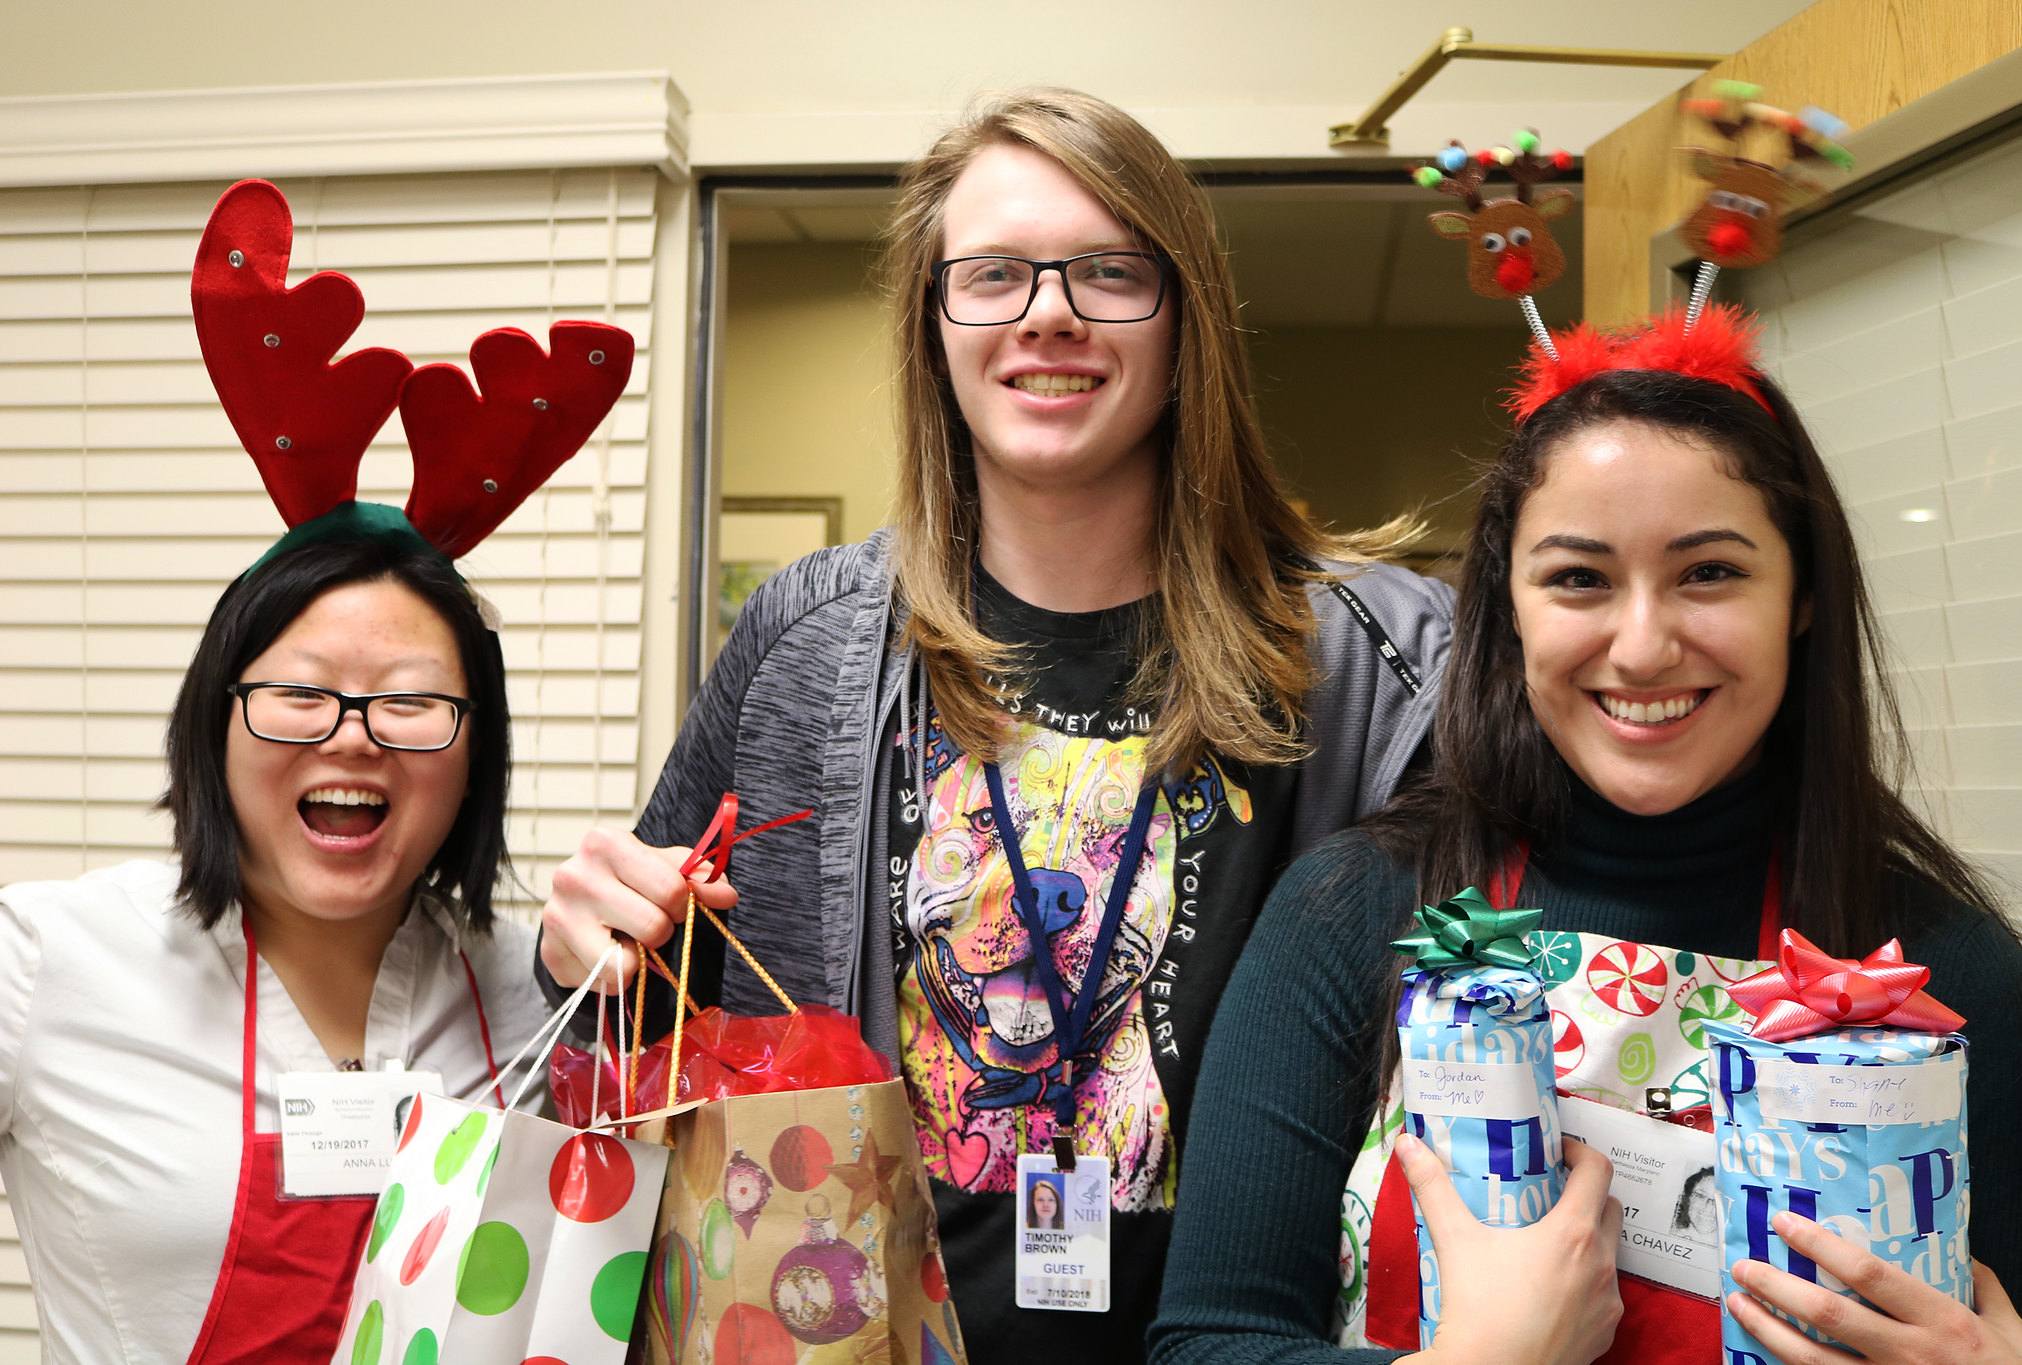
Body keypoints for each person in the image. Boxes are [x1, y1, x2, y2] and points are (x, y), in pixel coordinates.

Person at [536, 88, 1456, 1361]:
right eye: (995, 275)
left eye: (1107, 271)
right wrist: (583, 947)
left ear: (1183, 317)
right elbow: (641, 1017)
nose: (1047, 312)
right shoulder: (810, 633)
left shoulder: (1381, 663)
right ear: (935, 323)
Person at [1150, 321, 2022, 1365]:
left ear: (1799, 598)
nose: (1640, 645)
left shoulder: (1943, 967)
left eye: (1707, 573)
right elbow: (1209, 1344)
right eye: (1577, 579)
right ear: (1509, 609)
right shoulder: (1351, 913)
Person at [0, 525, 553, 1365]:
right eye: (300, 692)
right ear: (214, 723)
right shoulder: (44, 956)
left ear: (477, 753)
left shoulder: (545, 993)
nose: (353, 737)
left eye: (411, 701)